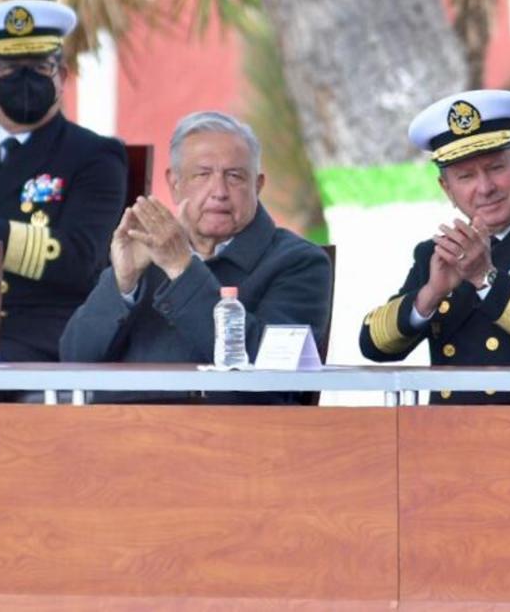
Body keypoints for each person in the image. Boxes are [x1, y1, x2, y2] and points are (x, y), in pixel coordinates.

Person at [60, 111, 333, 404]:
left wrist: (182, 268)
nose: (219, 192)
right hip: (123, 429)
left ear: (258, 185)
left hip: (233, 435)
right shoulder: (145, 251)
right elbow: (73, 357)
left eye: (235, 176)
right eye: (203, 175)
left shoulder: (298, 262)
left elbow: (271, 373)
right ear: (175, 184)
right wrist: (121, 284)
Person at [0, 0, 127, 363]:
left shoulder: (96, 156)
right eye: (9, 68)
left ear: (61, 76)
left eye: (38, 66)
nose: (24, 79)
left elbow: (81, 261)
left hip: (47, 333)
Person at [359, 90, 510, 403]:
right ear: (446, 188)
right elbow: (373, 346)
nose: (485, 188)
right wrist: (430, 294)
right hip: (446, 435)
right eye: (465, 176)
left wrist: (486, 278)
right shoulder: (435, 255)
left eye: (496, 168)